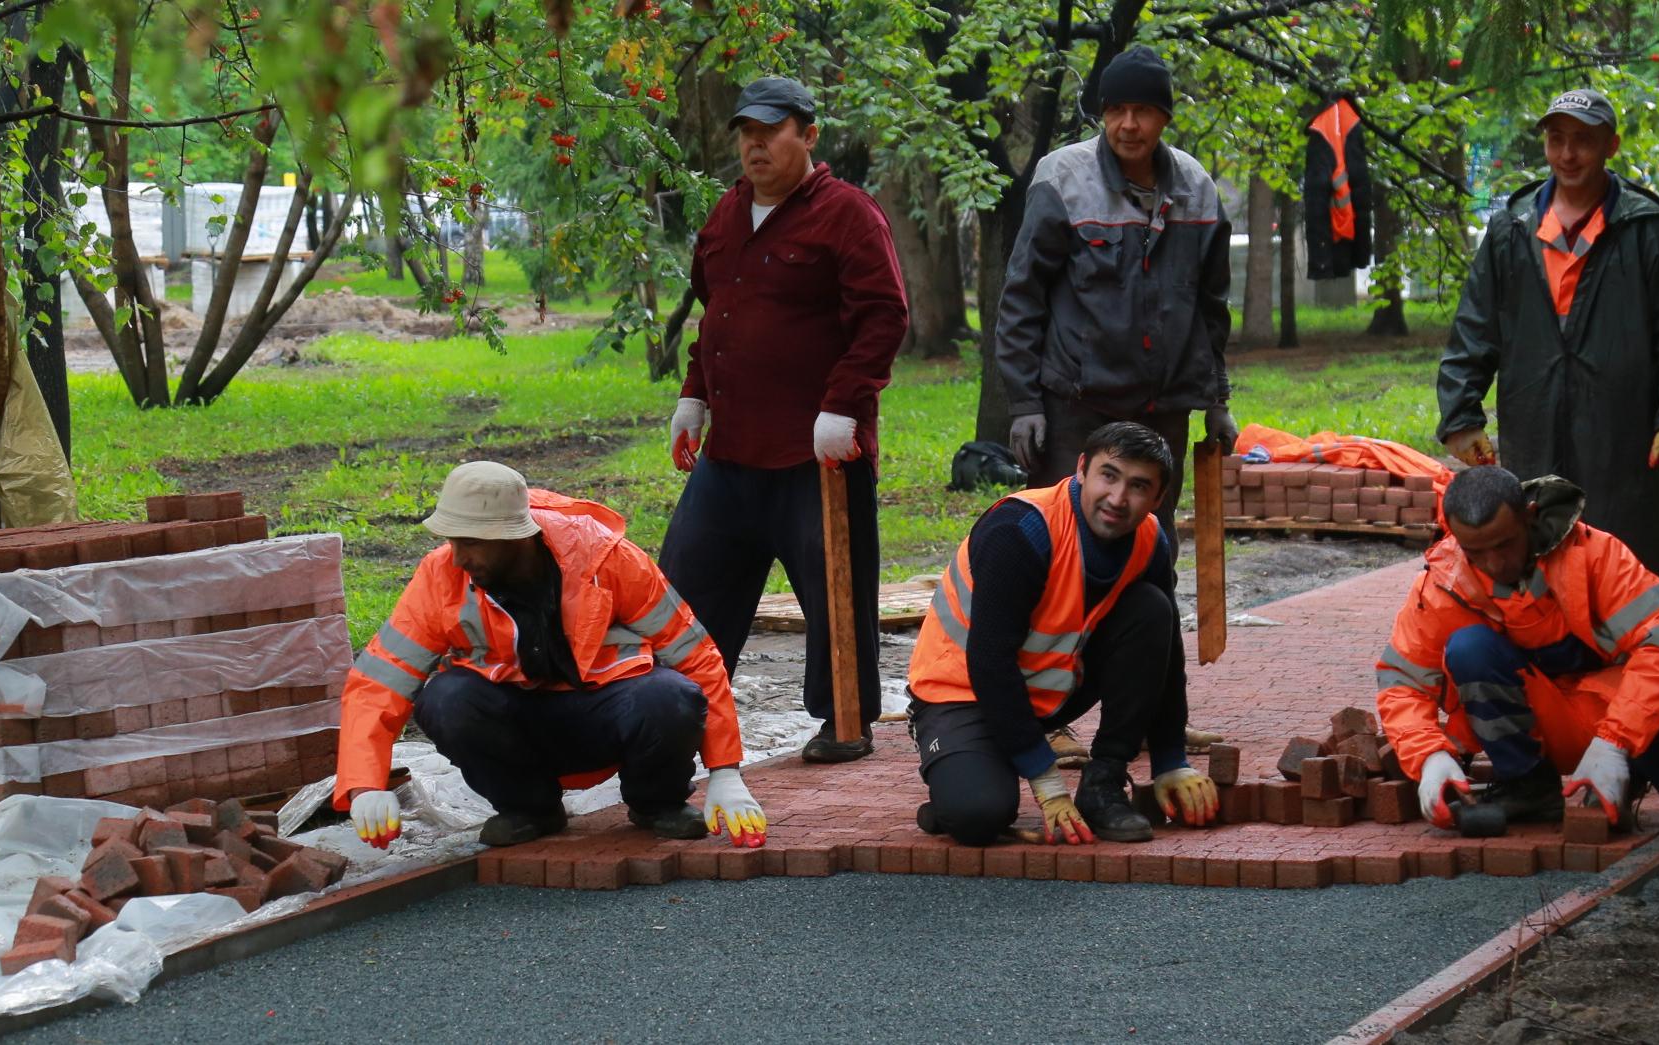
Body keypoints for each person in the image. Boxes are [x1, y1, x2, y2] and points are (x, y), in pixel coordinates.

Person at [660, 76, 908, 764]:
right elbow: (717, 315)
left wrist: (845, 403)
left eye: (772, 130)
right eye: (747, 132)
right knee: (685, 588)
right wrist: (694, 395)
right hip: (732, 451)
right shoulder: (725, 215)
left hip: (817, 452)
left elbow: (885, 317)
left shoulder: (848, 215)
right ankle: (674, 721)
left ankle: (845, 720)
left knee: (836, 594)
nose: (756, 144)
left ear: (809, 134)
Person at [336, 462, 767, 850]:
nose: (459, 556)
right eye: (452, 540)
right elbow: (381, 679)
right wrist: (364, 785)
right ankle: (530, 810)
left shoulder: (610, 560)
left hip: (607, 710)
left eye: (471, 542)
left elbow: (696, 656)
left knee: (671, 696)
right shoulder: (441, 574)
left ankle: (658, 804)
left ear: (515, 537)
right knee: (445, 699)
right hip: (515, 718)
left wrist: (725, 771)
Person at [1373, 467, 1659, 837]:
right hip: (1540, 726)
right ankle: (1528, 787)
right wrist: (1428, 757)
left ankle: (1623, 783)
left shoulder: (1597, 556)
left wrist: (1615, 744)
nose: (1494, 563)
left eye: (1504, 544)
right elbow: (1403, 683)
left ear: (1529, 515)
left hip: (1624, 719)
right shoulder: (1443, 586)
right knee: (1469, 647)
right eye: (1476, 552)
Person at [1438, 88, 1659, 593]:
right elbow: (1474, 328)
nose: (1567, 155)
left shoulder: (1644, 228)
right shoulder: (1511, 228)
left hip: (1626, 438)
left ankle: (1644, 665)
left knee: (1630, 563)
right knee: (1537, 560)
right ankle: (1546, 667)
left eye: (1583, 141)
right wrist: (1461, 414)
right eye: (1556, 139)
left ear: (1611, 145)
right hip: (1533, 427)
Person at [903, 422, 1221, 847]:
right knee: (977, 816)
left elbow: (1165, 653)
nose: (1118, 498)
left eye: (1138, 486)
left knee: (1152, 610)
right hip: (961, 694)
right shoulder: (1021, 530)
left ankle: (1103, 786)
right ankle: (954, 789)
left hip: (1044, 693)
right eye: (1109, 475)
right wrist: (1047, 783)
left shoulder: (1149, 540)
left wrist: (1170, 761)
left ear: (1158, 498)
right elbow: (990, 663)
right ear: (1082, 469)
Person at [997, 45, 1237, 522]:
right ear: (1102, 114)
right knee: (1061, 538)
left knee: (1150, 540)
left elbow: (1211, 307)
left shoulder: (1197, 189)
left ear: (1164, 117)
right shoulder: (1063, 178)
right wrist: (1025, 403)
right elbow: (1023, 297)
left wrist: (1217, 402)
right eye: (1116, 110)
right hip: (1076, 407)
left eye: (1143, 111)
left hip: (1161, 409)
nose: (1129, 124)